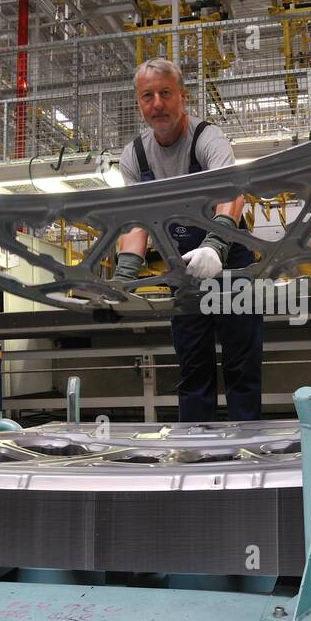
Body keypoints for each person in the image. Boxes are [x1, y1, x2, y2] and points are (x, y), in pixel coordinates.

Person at [112, 57, 263, 422]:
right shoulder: (133, 156)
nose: (157, 104)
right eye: (148, 96)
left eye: (166, 93)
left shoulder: (206, 137)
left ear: (183, 97)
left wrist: (215, 245)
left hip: (232, 268)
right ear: (139, 104)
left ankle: (249, 459)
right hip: (184, 274)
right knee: (193, 369)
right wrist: (125, 273)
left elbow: (233, 191)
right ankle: (198, 453)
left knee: (241, 368)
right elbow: (136, 222)